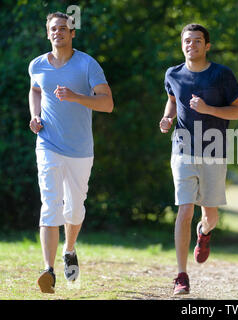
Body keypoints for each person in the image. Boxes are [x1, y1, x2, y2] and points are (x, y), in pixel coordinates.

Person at [28, 12, 114, 293]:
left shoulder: (87, 64)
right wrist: (35, 115)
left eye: (63, 28)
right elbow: (35, 90)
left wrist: (76, 96)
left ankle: (70, 248)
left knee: (74, 208)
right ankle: (48, 271)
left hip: (80, 149)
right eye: (53, 29)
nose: (58, 33)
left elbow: (107, 104)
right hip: (48, 144)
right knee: (50, 204)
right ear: (47, 33)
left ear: (72, 33)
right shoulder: (37, 65)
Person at [160, 23, 238, 295]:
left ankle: (204, 233)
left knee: (210, 215)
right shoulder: (173, 74)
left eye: (197, 41)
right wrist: (168, 118)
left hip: (213, 150)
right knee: (184, 209)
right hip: (183, 148)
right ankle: (181, 275)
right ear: (181, 44)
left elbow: (236, 113)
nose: (191, 45)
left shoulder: (222, 75)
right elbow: (173, 99)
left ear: (207, 46)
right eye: (187, 41)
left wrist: (208, 109)